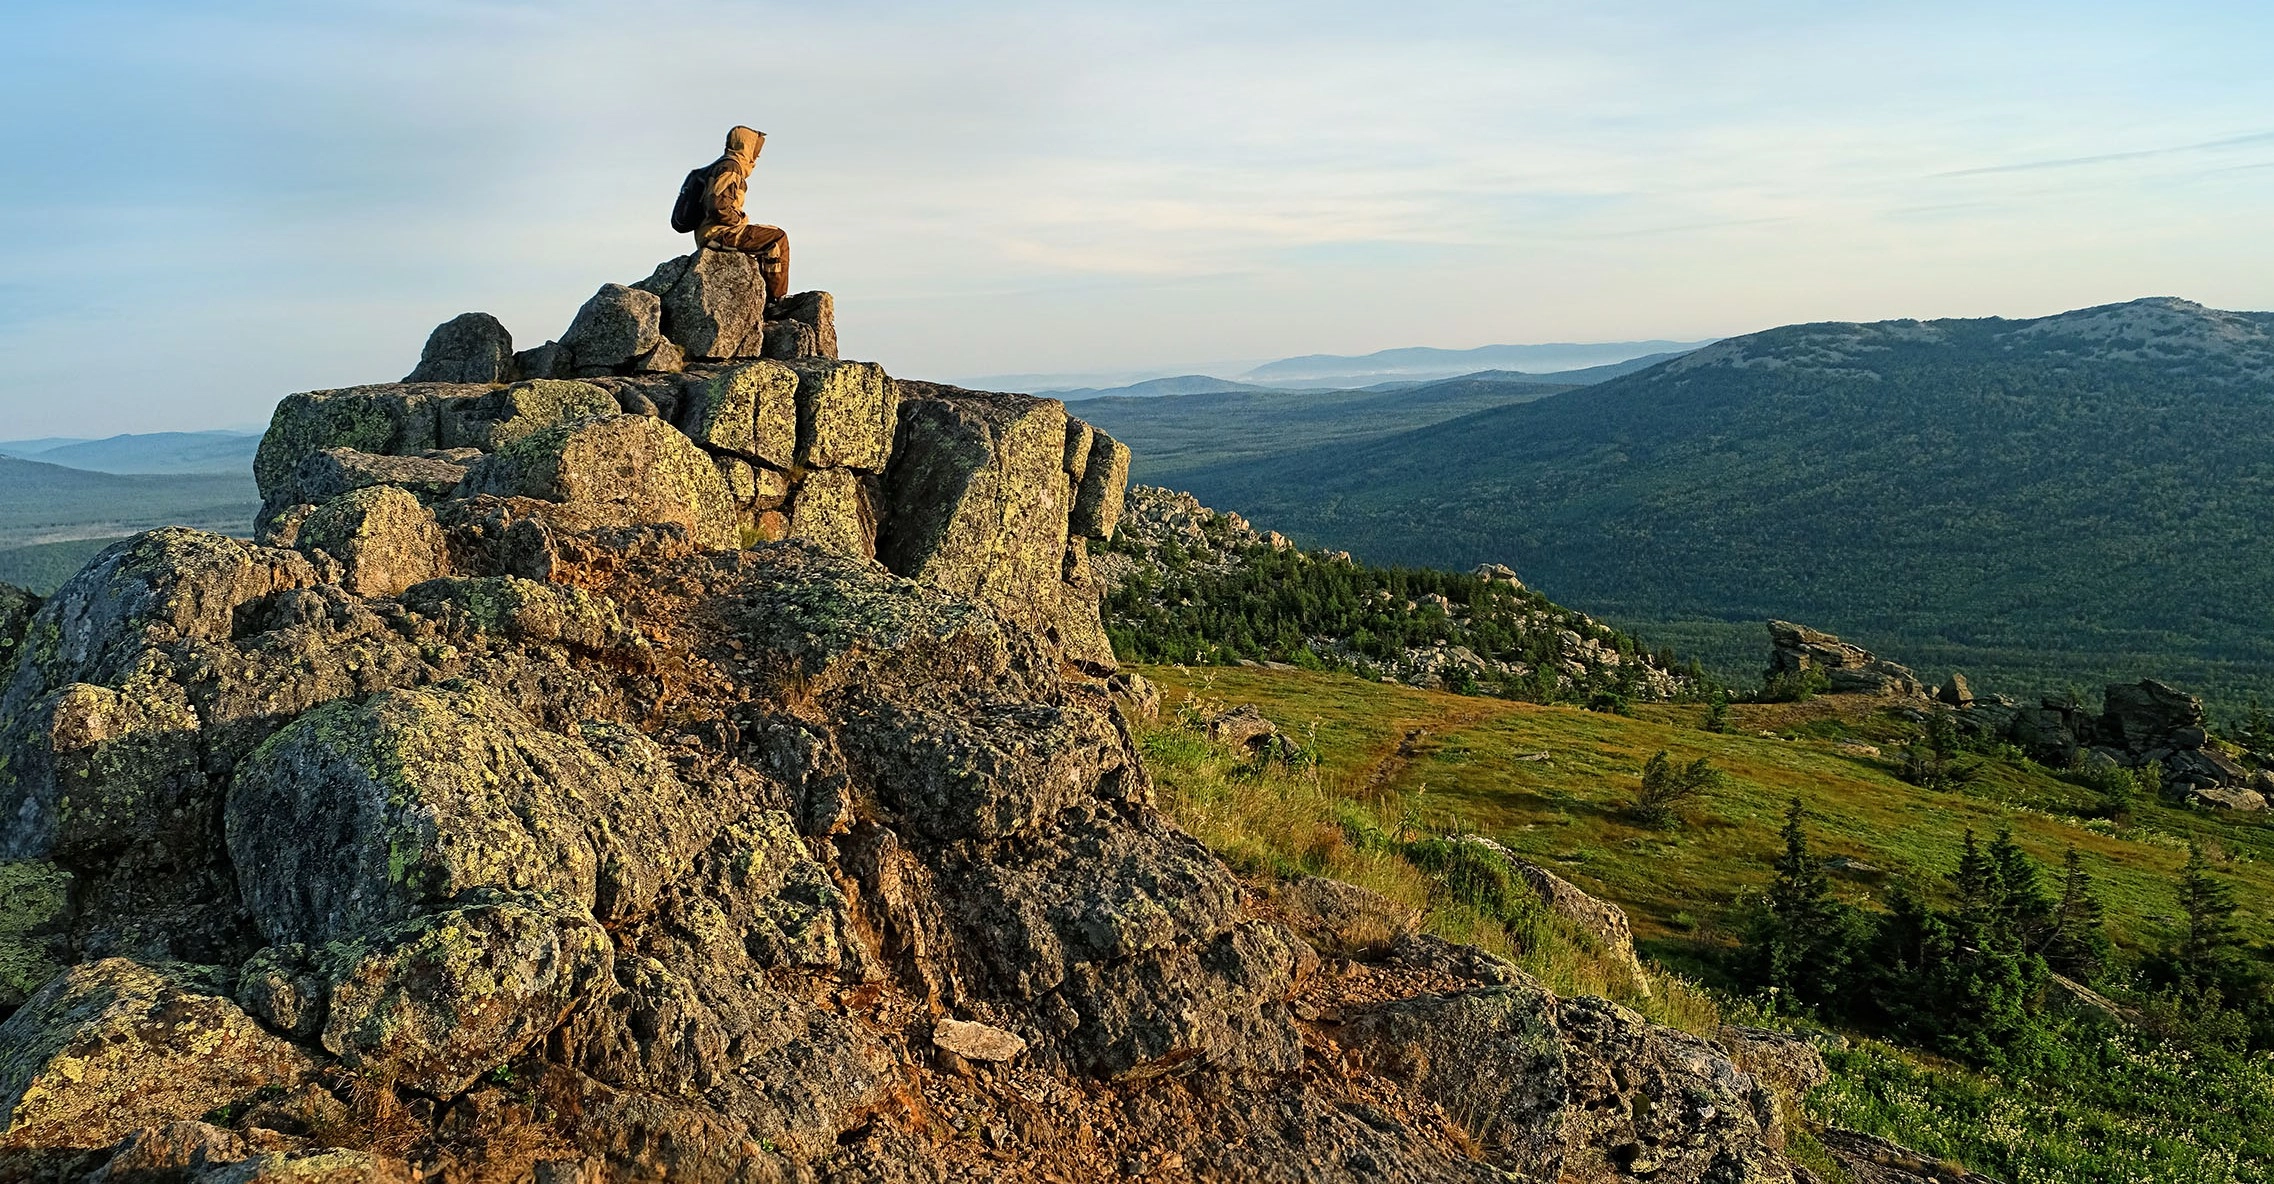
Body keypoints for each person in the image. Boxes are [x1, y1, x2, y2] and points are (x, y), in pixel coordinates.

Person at [694, 126, 790, 301]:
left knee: (768, 233)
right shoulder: (731, 167)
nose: (758, 155)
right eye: (756, 149)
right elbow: (717, 207)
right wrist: (738, 219)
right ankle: (776, 300)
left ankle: (764, 296)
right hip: (718, 233)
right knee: (777, 238)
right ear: (746, 146)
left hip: (709, 232)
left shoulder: (722, 165)